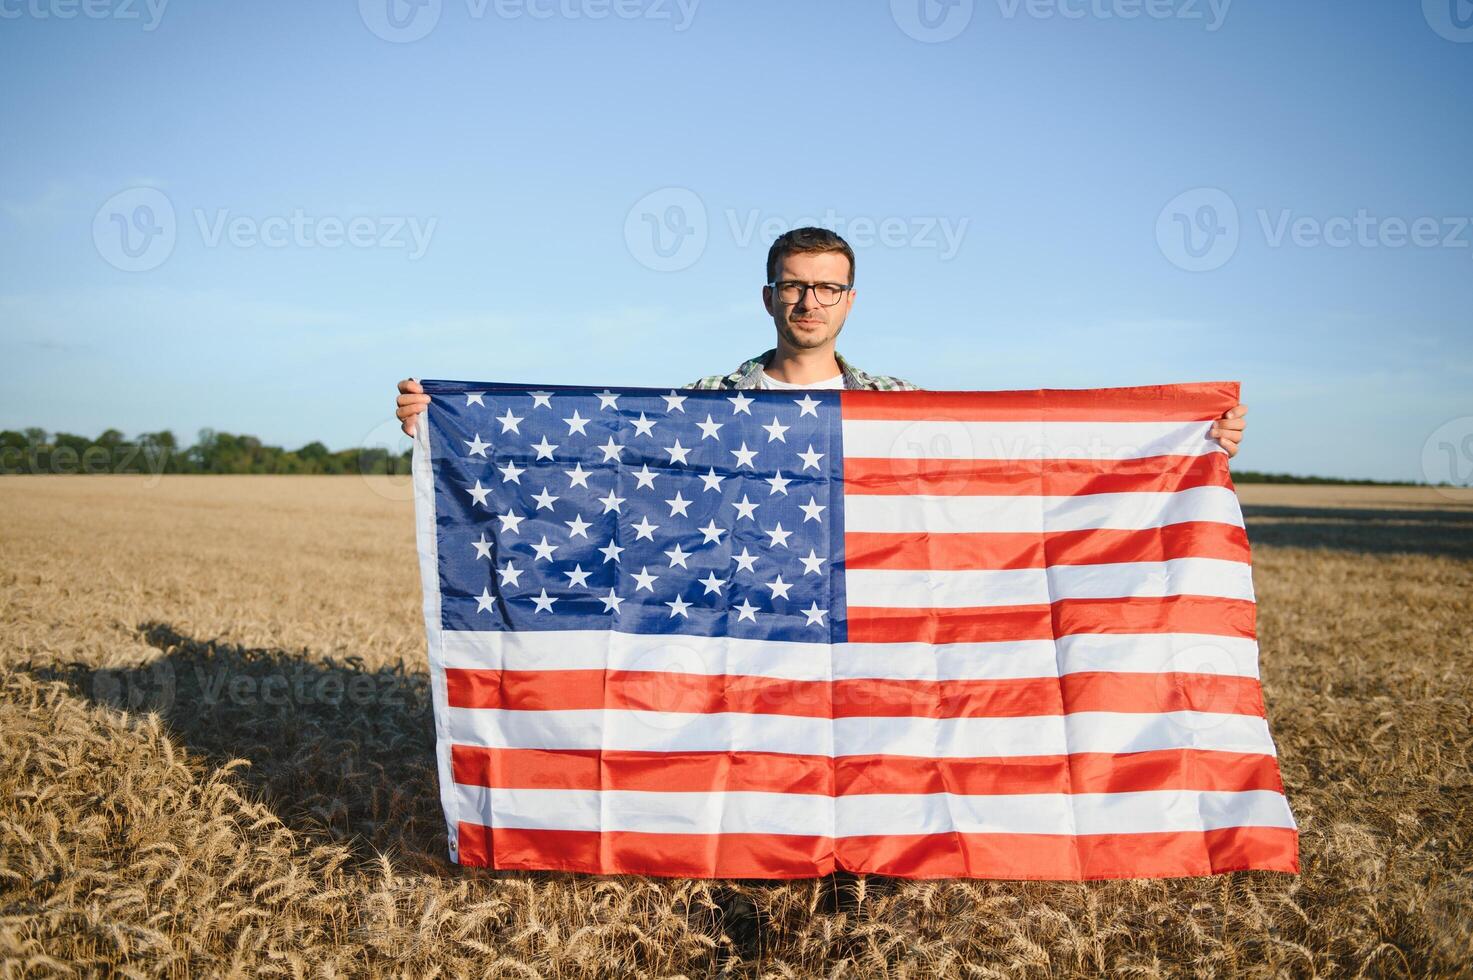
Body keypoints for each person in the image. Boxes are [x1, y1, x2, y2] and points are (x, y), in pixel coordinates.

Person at [394, 226, 1247, 454]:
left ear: (850, 300)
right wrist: (448, 421)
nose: (810, 300)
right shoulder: (705, 401)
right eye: (795, 285)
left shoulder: (899, 407)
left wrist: (1180, 439)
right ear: (768, 295)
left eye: (827, 287)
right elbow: (608, 454)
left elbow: (1021, 456)